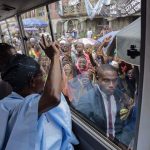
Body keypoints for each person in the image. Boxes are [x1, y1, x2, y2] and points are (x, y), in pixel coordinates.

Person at [0, 37, 78, 150]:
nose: (45, 80)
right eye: (42, 76)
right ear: (32, 81)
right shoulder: (24, 107)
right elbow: (53, 97)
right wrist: (55, 57)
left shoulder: (4, 104)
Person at [74, 64, 130, 145]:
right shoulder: (87, 100)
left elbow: (128, 120)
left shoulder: (120, 95)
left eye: (114, 80)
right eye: (106, 80)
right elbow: (80, 130)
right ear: (97, 80)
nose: (111, 85)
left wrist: (124, 140)